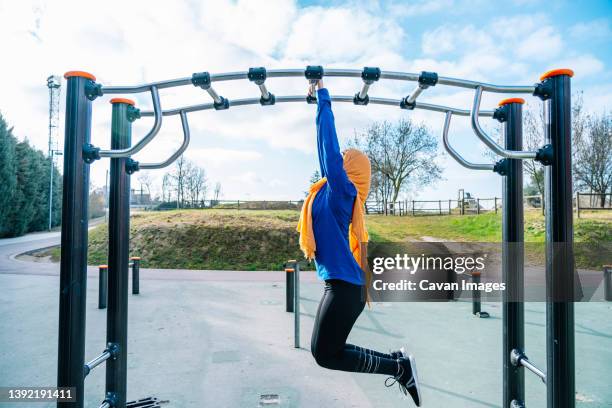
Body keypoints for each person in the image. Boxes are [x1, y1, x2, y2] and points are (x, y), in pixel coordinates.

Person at [297, 80, 421, 406]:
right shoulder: (329, 192)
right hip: (341, 286)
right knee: (328, 352)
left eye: (342, 158)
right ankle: (398, 365)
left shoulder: (342, 191)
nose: (337, 158)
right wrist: (315, 104)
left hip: (345, 287)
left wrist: (322, 95)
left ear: (348, 170)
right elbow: (325, 150)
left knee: (325, 353)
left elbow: (326, 143)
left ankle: (398, 366)